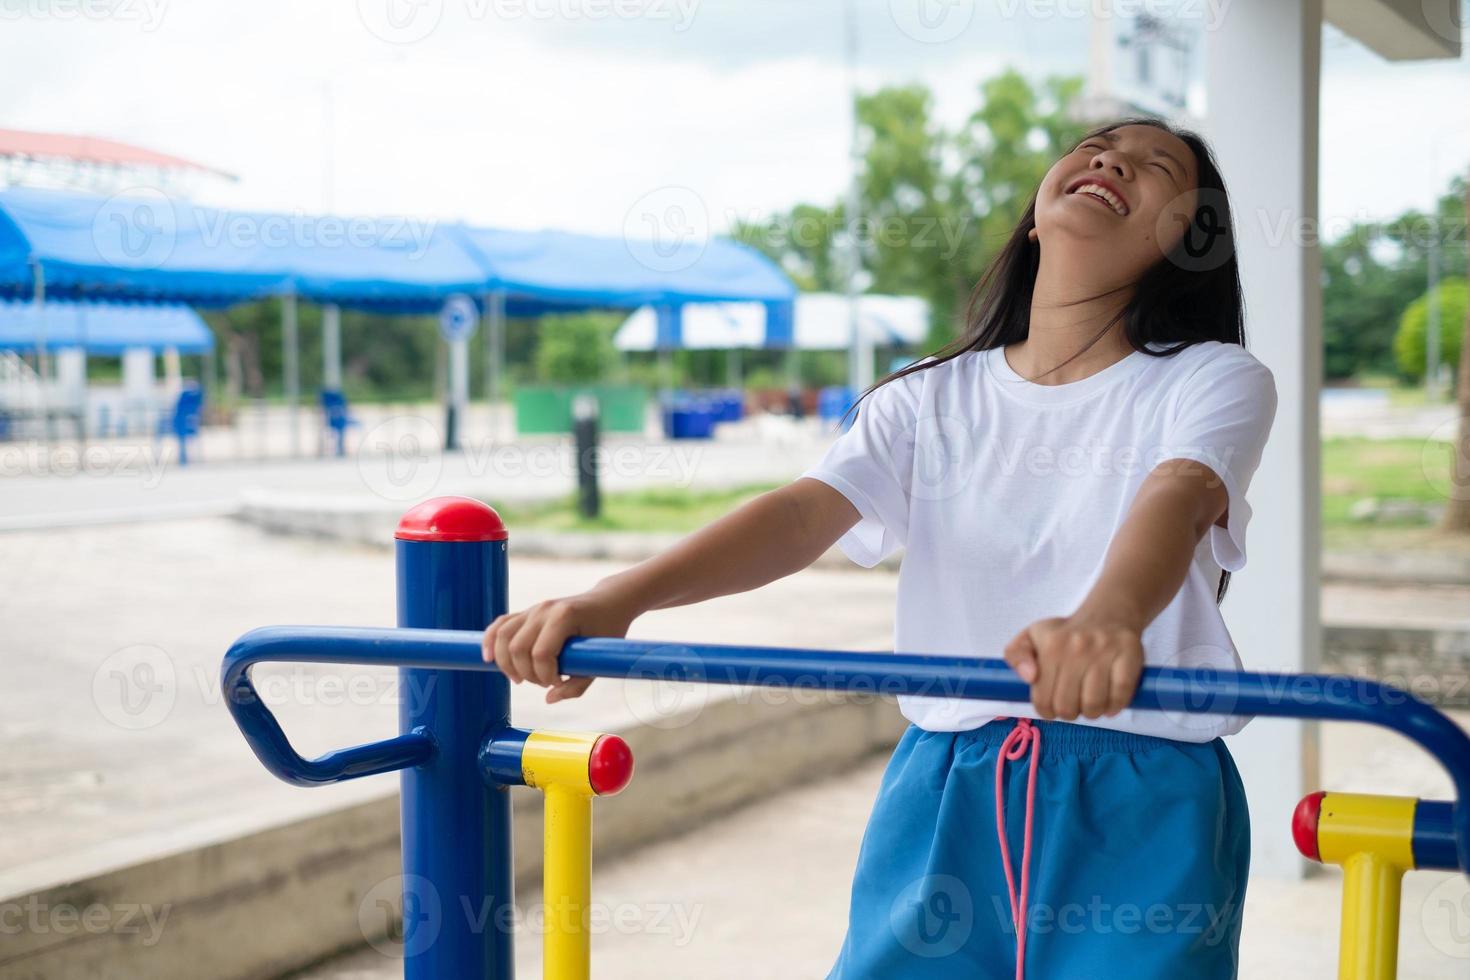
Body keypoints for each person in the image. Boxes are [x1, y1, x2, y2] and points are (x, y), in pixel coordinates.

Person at [482, 117, 1276, 978]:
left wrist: (1108, 621)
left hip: (1147, 792)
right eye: (1093, 147)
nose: (1110, 159)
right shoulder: (927, 397)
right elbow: (800, 515)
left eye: (1156, 166)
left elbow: (1182, 491)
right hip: (945, 783)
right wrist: (619, 598)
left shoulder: (1211, 379)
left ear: (1188, 241)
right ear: (1037, 213)